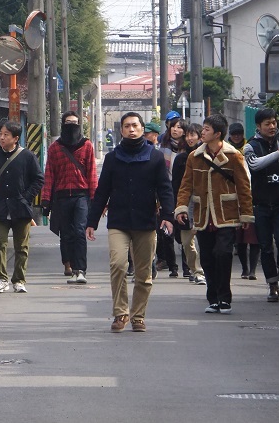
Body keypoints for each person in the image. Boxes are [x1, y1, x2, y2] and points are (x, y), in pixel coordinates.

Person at [86, 112, 174, 333]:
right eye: (127, 126)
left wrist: (168, 216)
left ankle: (138, 316)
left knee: (144, 274)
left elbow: (165, 189)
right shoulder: (112, 158)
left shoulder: (154, 158)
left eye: (135, 125)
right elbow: (102, 191)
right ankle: (120, 313)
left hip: (145, 222)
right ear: (121, 130)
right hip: (119, 221)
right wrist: (92, 221)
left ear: (143, 129)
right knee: (118, 265)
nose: (131, 129)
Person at [175, 114, 253, 315]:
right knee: (208, 258)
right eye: (203, 128)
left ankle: (225, 298)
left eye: (207, 129)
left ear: (218, 134)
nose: (202, 132)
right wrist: (182, 207)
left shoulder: (235, 156)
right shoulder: (194, 157)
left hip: (226, 214)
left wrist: (246, 215)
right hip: (203, 215)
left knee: (223, 253)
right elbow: (186, 185)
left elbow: (244, 187)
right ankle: (213, 298)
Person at [243, 108, 279, 302]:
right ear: (258, 126)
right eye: (267, 123)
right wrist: (278, 153)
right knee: (266, 246)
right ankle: (273, 284)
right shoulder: (250, 146)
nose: (272, 126)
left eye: (274, 122)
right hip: (260, 204)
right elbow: (255, 165)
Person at [0, 121, 44, 294]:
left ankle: (19, 280)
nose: (2, 137)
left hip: (20, 208)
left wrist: (26, 197)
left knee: (21, 246)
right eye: (0, 134)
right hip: (0, 207)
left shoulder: (27, 157)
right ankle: (1, 279)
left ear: (16, 138)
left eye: (6, 134)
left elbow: (38, 179)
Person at [41, 111, 98, 284]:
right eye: (68, 122)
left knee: (80, 231)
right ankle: (69, 264)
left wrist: (96, 200)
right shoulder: (55, 148)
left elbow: (92, 174)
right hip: (61, 197)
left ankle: (80, 269)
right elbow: (49, 175)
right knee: (65, 234)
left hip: (81, 195)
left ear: (80, 124)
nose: (72, 125)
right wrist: (46, 200)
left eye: (75, 122)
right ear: (63, 124)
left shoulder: (87, 145)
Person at [171, 122, 206, 285]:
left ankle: (204, 270)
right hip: (185, 204)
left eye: (193, 135)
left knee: (207, 241)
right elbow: (176, 184)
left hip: (205, 204)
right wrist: (177, 206)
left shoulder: (207, 157)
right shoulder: (181, 159)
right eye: (188, 135)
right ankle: (195, 270)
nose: (190, 138)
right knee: (186, 242)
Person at [226, 122, 261, 280]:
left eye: (239, 133)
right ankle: (245, 268)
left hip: (252, 195)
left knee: (253, 236)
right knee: (240, 238)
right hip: (233, 198)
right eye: (234, 134)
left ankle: (252, 269)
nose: (237, 136)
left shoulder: (250, 148)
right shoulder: (226, 150)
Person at [157, 116, 187, 277]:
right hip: (166, 193)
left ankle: (187, 268)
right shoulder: (162, 147)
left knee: (184, 233)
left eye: (179, 127)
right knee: (166, 232)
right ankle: (173, 266)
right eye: (173, 126)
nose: (175, 129)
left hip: (184, 194)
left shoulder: (189, 150)